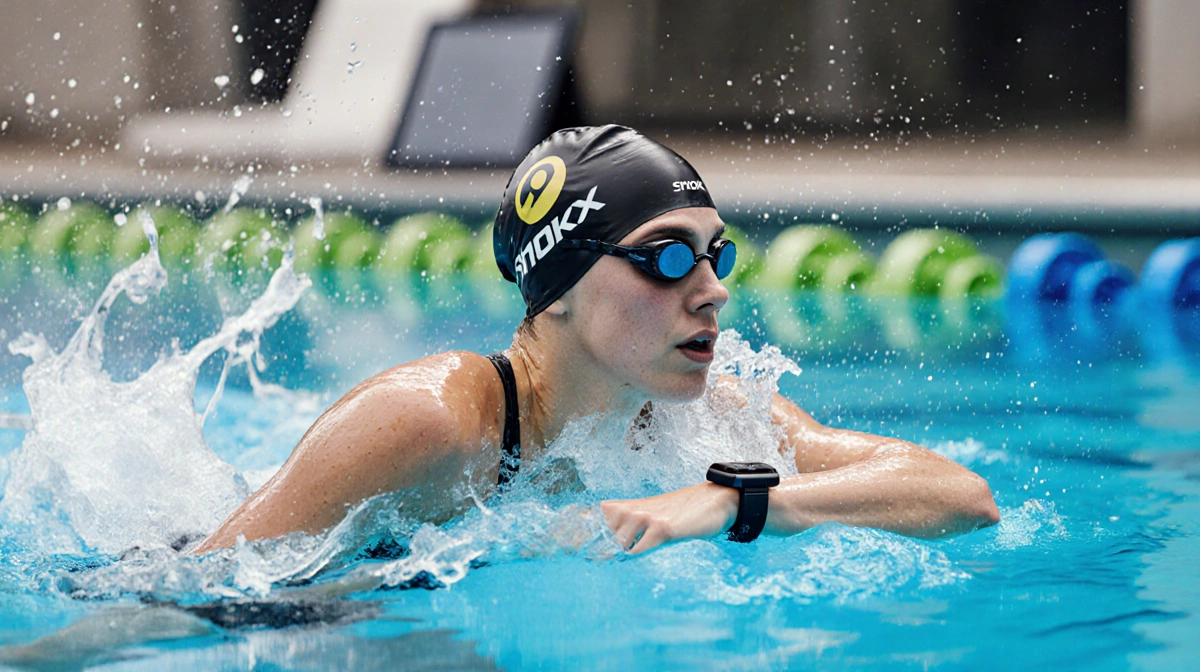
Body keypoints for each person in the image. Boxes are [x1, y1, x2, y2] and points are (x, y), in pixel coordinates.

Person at [193, 125, 999, 556]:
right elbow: (194, 593)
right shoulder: (429, 419)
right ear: (563, 287)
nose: (713, 289)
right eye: (668, 257)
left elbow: (963, 498)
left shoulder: (706, 411)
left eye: (715, 253)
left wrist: (739, 503)